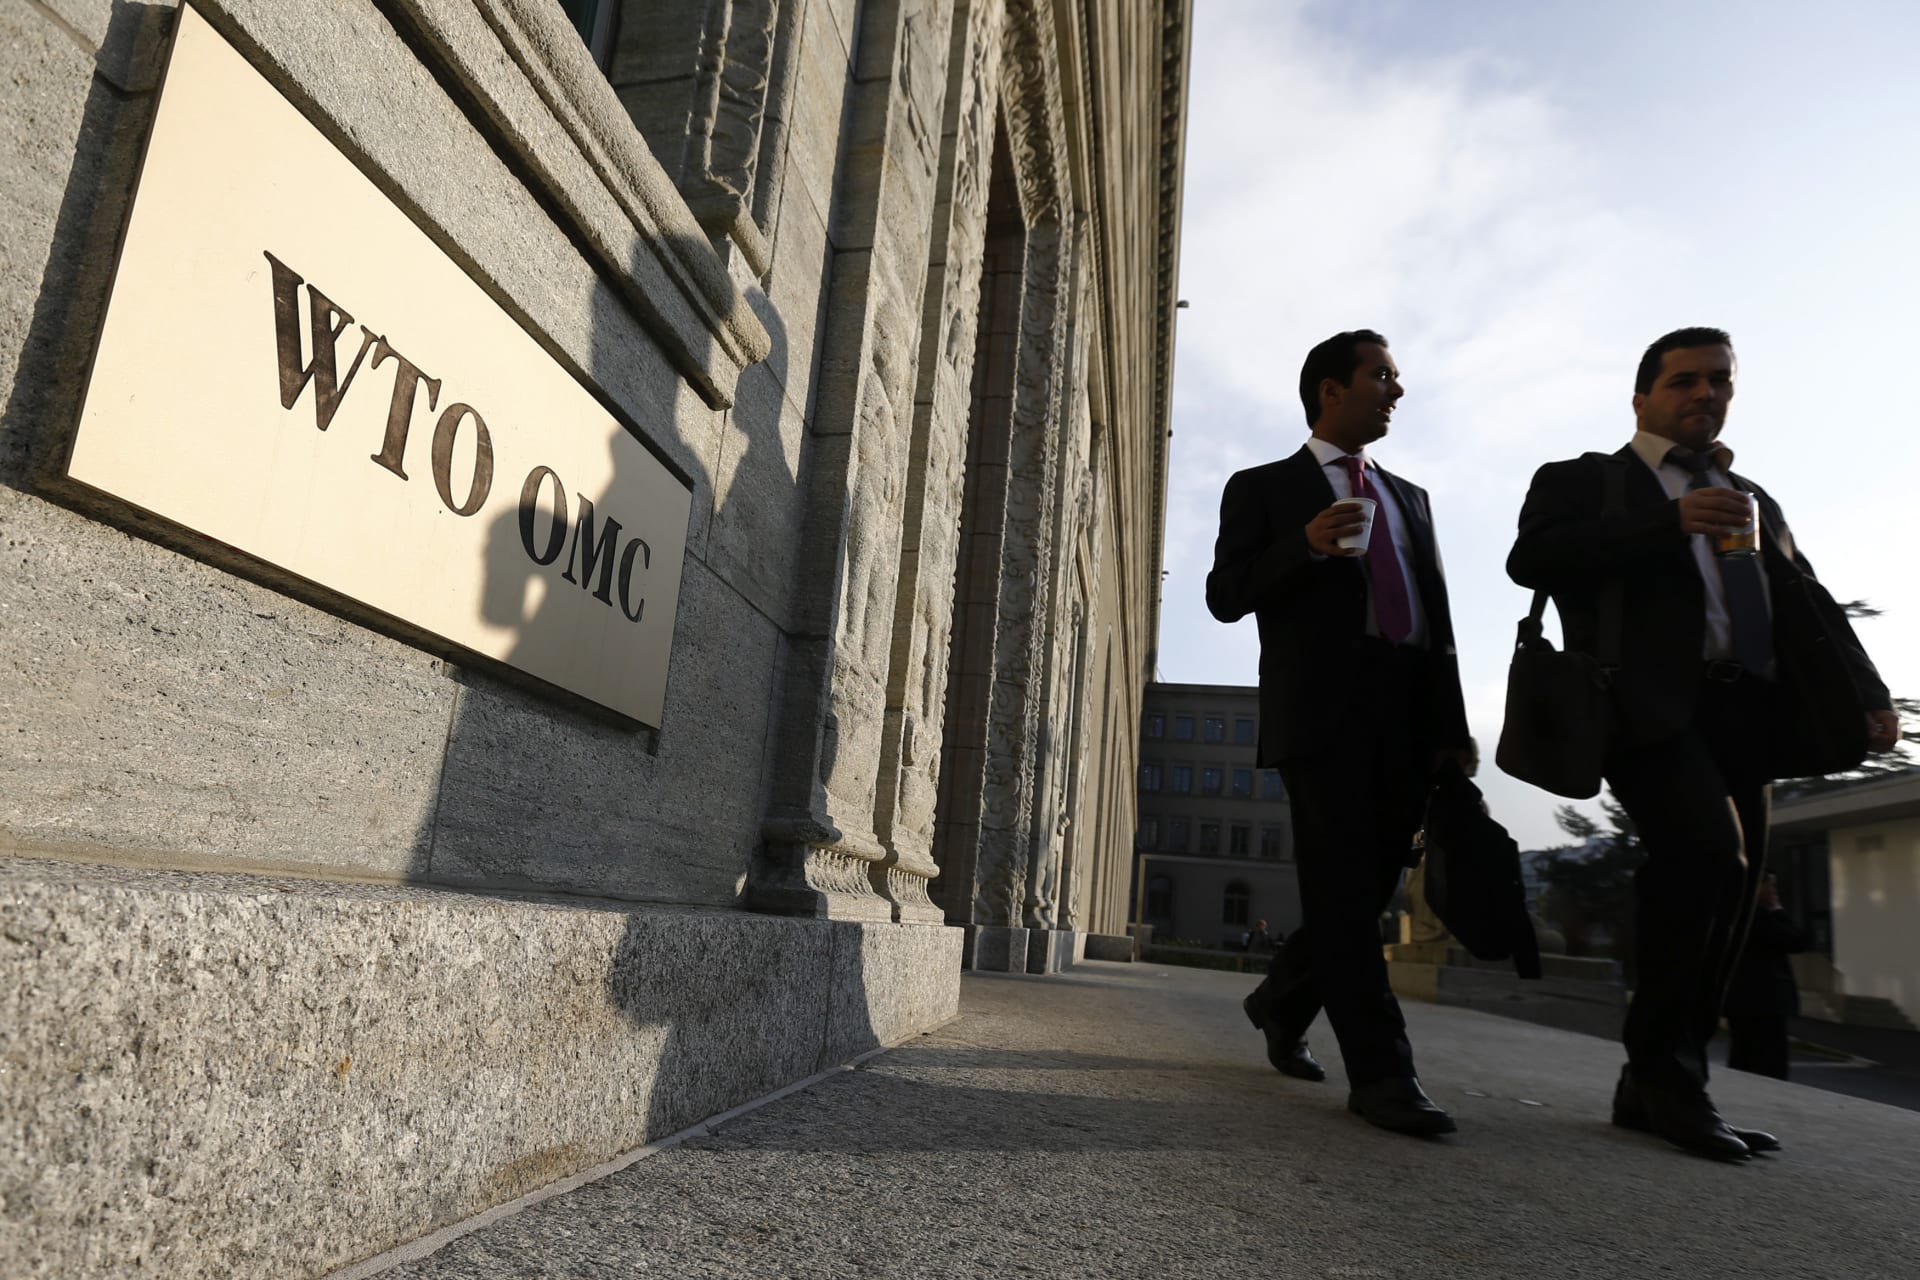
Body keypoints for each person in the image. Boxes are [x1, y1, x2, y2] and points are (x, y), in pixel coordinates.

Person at [1507, 327, 1898, 1162]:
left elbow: (1806, 600)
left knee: (1735, 897)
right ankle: (1669, 1081)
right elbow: (1532, 558)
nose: (1705, 394)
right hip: (1645, 709)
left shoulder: (1752, 493)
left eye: (1719, 381)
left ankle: (1651, 1088)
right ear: (1643, 396)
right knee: (1708, 858)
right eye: (1685, 380)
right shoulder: (1589, 480)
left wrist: (1866, 695)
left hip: (1750, 713)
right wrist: (1668, 521)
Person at [1206, 329, 1471, 1137]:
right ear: (1331, 389)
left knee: (1360, 890)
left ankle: (1279, 1002)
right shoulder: (1262, 486)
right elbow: (1224, 594)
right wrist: (1305, 545)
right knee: (1343, 891)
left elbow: (1437, 621)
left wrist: (1453, 733)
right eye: (1381, 376)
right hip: (1320, 717)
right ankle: (1384, 1075)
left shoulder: (1410, 498)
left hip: (1408, 715)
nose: (1396, 391)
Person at [1723, 873, 1811, 1080]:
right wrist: (1777, 909)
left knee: (1743, 1058)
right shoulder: (1758, 918)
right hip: (1764, 1002)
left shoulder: (1734, 913)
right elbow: (1797, 940)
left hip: (1742, 1001)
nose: (1774, 890)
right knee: (1769, 1064)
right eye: (1770, 885)